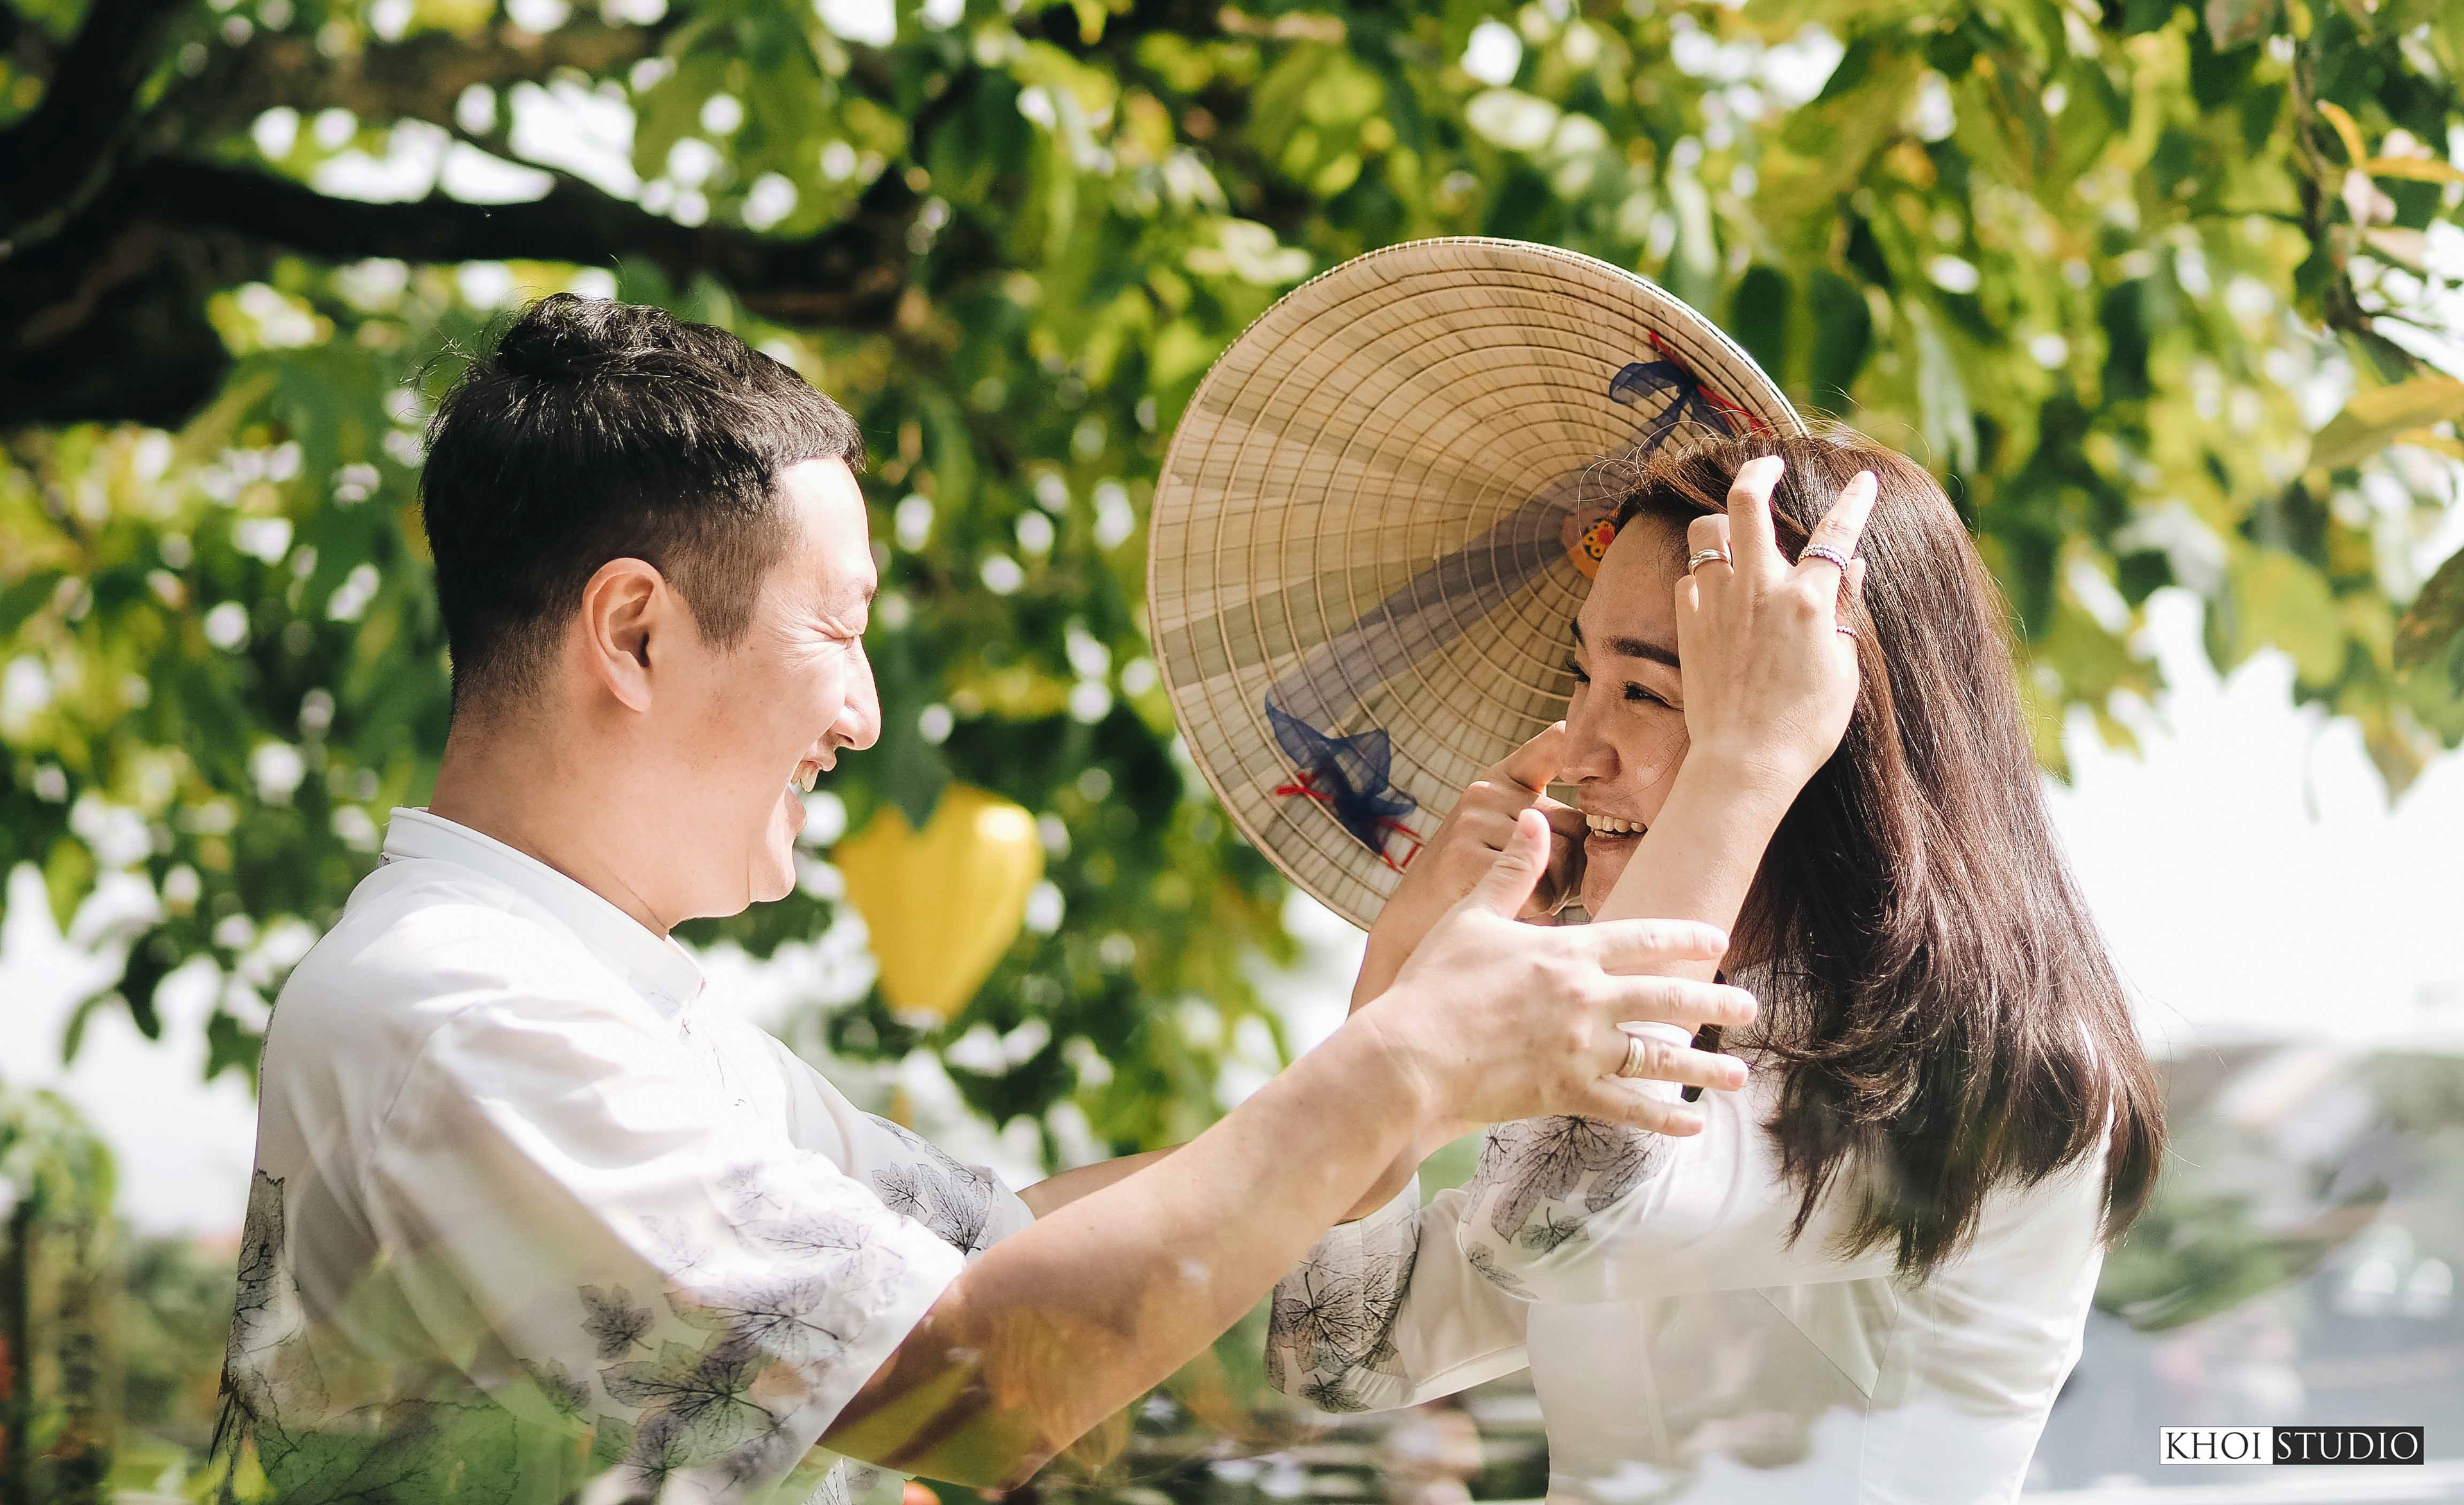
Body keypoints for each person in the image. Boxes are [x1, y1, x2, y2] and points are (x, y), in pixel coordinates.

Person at [214, 296, 1768, 1505]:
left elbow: (992, 1243)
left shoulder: (601, 1001)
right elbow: (975, 1379)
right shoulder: (463, 1013)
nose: (867, 715)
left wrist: (1393, 1038)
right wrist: (1409, 1063)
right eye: (838, 629)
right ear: (632, 633)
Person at [1265, 436, 2166, 1503]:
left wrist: (1742, 763)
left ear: (1824, 724)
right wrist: (1399, 970)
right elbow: (1335, 1352)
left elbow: (1550, 1220)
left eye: (1647, 694)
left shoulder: (1998, 1077)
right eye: (1581, 677)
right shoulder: (1685, 1047)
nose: (1577, 747)